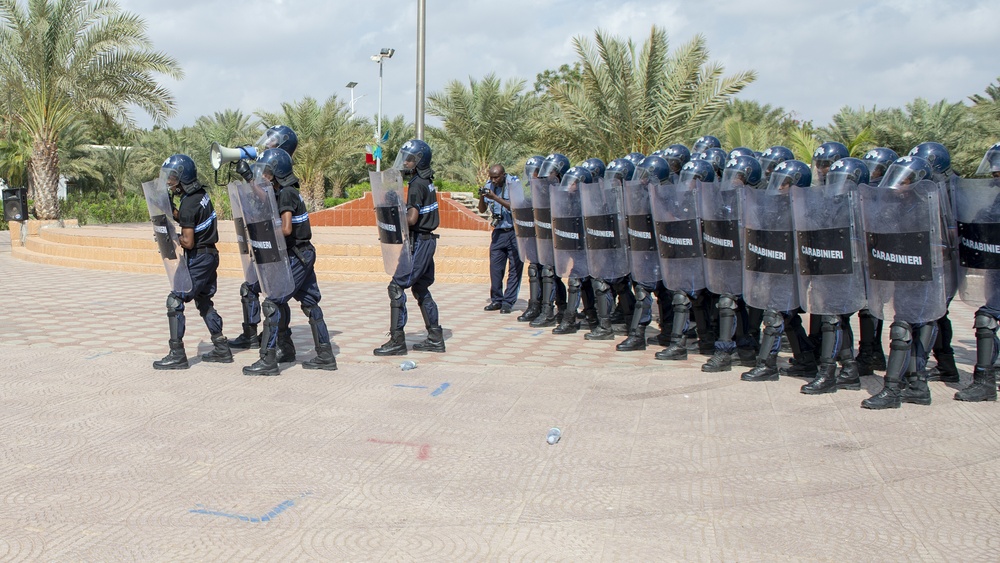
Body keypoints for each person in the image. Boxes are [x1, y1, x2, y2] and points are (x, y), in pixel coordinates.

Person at [242, 148, 337, 375]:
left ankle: (268, 359)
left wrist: (263, 229)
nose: (263, 176)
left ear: (278, 173)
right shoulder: (286, 191)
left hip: (296, 254)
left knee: (273, 301)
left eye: (266, 172)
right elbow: (265, 198)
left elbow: (285, 229)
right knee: (310, 303)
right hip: (302, 253)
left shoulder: (286, 193)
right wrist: (248, 178)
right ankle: (323, 355)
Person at [153, 154, 231, 370]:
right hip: (209, 254)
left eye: (173, 178)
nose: (170, 183)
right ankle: (221, 348)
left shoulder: (189, 203)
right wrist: (172, 211)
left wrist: (169, 236)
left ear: (183, 178)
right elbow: (190, 219)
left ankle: (177, 354)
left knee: (175, 300)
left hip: (199, 256)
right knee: (203, 300)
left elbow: (187, 241)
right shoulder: (200, 196)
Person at [229, 125, 299, 352]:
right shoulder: (268, 165)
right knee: (249, 286)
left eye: (272, 141)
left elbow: (268, 200)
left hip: (279, 245)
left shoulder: (283, 177)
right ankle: (251, 335)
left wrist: (250, 177)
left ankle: (281, 343)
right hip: (264, 239)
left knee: (276, 296)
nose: (266, 144)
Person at [373, 139, 445, 356]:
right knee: (420, 288)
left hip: (420, 242)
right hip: (427, 240)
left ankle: (397, 341)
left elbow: (412, 218)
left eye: (410, 159)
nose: (406, 162)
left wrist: (395, 212)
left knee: (396, 287)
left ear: (420, 161)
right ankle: (435, 337)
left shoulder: (416, 185)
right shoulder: (426, 182)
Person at [954, 143, 1000, 402]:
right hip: (994, 268)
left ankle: (984, 381)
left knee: (986, 318)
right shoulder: (995, 196)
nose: (995, 173)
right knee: (987, 317)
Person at [478, 164, 523, 314]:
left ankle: (508, 302)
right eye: (491, 177)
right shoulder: (489, 185)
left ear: (503, 175)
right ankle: (497, 299)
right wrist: (482, 197)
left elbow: (516, 207)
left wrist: (495, 197)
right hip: (498, 232)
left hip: (514, 231)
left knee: (515, 268)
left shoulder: (514, 184)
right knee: (495, 268)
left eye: (496, 177)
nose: (493, 180)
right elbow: (482, 210)